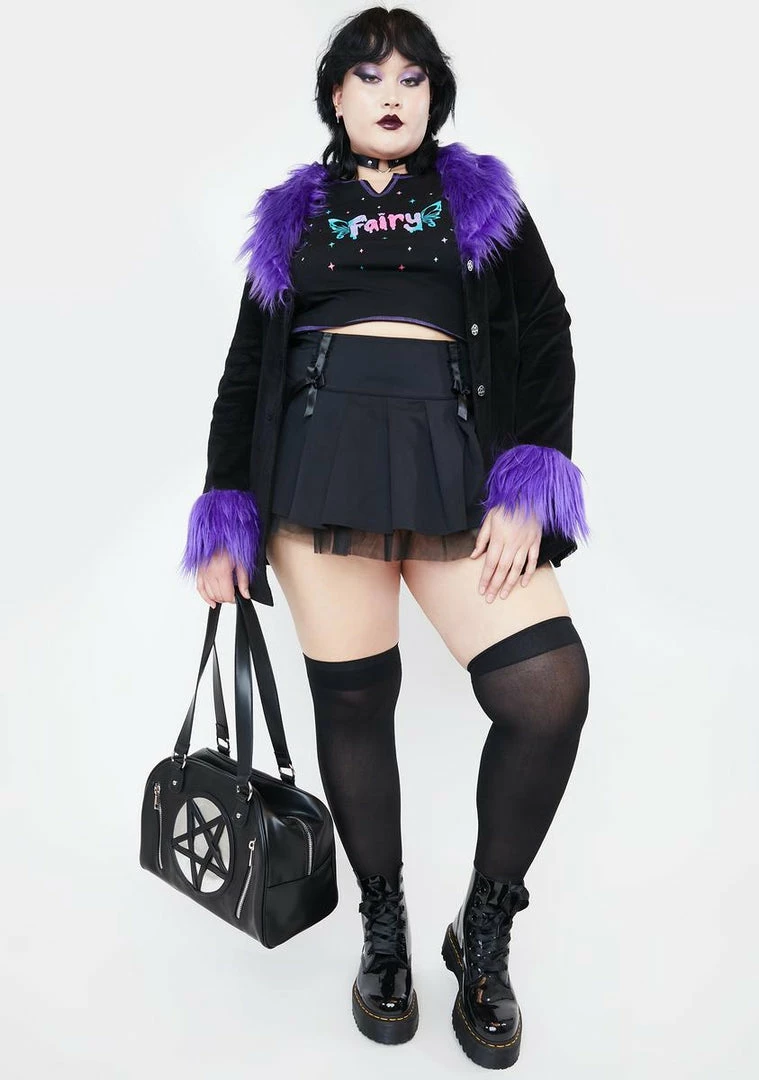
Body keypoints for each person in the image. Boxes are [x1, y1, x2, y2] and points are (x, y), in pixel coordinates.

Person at [180, 6, 591, 1070]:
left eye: (412, 76)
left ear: (433, 97)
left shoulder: (482, 198)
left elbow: (545, 335)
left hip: (457, 470)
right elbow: (246, 370)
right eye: (369, 75)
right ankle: (384, 928)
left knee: (547, 693)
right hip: (319, 475)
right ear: (337, 96)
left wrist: (529, 481)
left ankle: (483, 929)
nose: (391, 93)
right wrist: (225, 510)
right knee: (356, 706)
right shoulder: (291, 214)